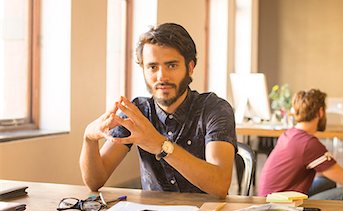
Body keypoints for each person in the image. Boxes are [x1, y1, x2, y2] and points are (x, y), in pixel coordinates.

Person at [80, 23, 237, 197]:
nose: (161, 76)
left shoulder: (214, 109)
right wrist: (89, 138)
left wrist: (161, 146)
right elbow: (95, 181)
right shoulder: (138, 111)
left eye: (171, 65)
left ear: (190, 67)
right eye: (152, 67)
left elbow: (221, 184)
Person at [258, 89, 343, 200]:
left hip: (271, 197)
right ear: (320, 112)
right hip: (279, 205)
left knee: (328, 182)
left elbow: (331, 170)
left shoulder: (290, 134)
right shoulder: (308, 144)